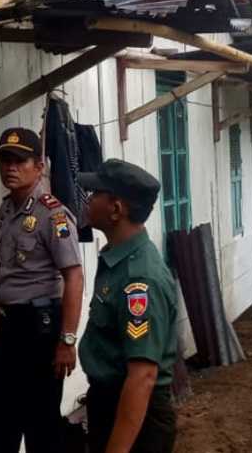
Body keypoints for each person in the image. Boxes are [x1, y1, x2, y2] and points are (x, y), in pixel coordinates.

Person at [0, 128, 85, 453]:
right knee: (1, 419)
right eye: (5, 160)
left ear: (39, 166)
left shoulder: (53, 215)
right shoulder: (7, 210)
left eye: (20, 160)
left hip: (40, 329)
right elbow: (7, 270)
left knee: (40, 424)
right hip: (10, 326)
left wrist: (67, 341)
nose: (10, 167)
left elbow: (74, 277)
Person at [78, 159, 177, 453]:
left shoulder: (140, 278)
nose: (88, 199)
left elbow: (142, 377)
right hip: (112, 403)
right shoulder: (118, 259)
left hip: (136, 416)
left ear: (116, 209)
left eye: (96, 193)